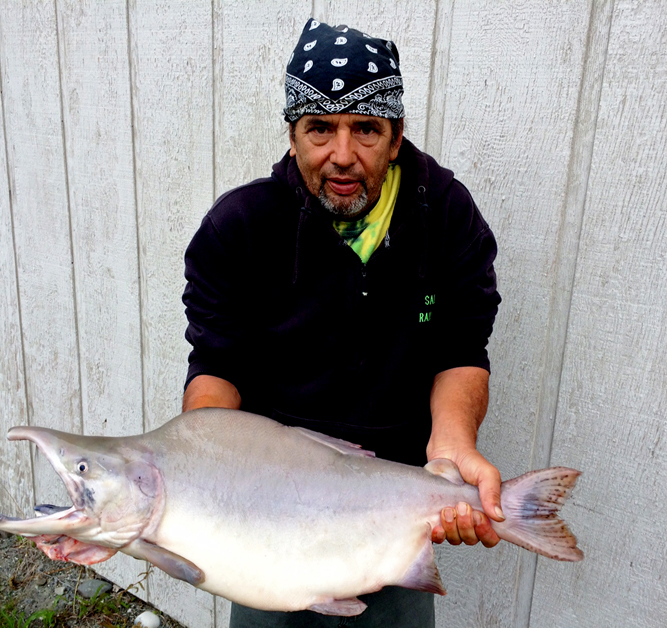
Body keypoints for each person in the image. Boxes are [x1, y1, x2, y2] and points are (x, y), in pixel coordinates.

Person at [182, 18, 502, 628]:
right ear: (294, 134)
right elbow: (217, 364)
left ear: (397, 135)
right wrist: (201, 465)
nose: (343, 155)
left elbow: (462, 345)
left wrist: (454, 446)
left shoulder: (449, 218)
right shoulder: (238, 229)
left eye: (366, 129)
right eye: (321, 128)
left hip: (397, 510)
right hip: (269, 514)